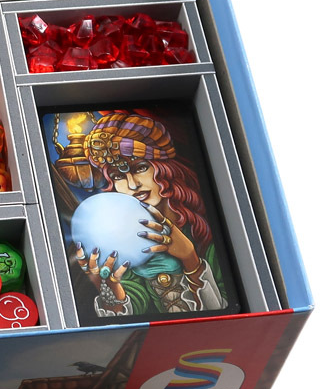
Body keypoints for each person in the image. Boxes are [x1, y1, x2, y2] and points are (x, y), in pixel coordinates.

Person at [71, 112, 227, 317]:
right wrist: (110, 288)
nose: (132, 185)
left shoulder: (206, 231)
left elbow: (225, 315)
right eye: (118, 176)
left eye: (140, 168)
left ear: (164, 168)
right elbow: (132, 311)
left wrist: (190, 258)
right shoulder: (123, 242)